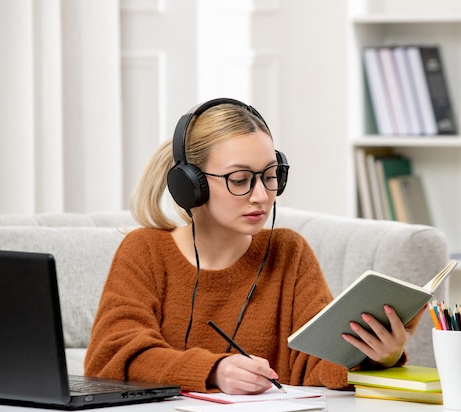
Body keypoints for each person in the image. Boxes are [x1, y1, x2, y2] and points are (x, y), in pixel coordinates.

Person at [84, 98, 426, 394]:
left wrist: (378, 356)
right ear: (191, 185)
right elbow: (112, 356)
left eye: (270, 175)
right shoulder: (145, 251)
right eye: (240, 180)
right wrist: (213, 370)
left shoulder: (289, 252)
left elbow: (314, 363)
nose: (262, 196)